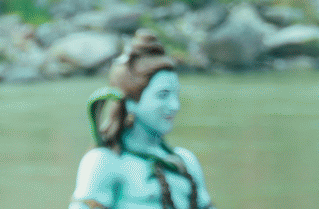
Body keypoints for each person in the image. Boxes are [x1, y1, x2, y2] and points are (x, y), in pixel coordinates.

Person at [70, 30, 214, 209]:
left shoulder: (186, 161)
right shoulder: (105, 162)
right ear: (130, 101)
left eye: (175, 95)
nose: (174, 106)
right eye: (163, 95)